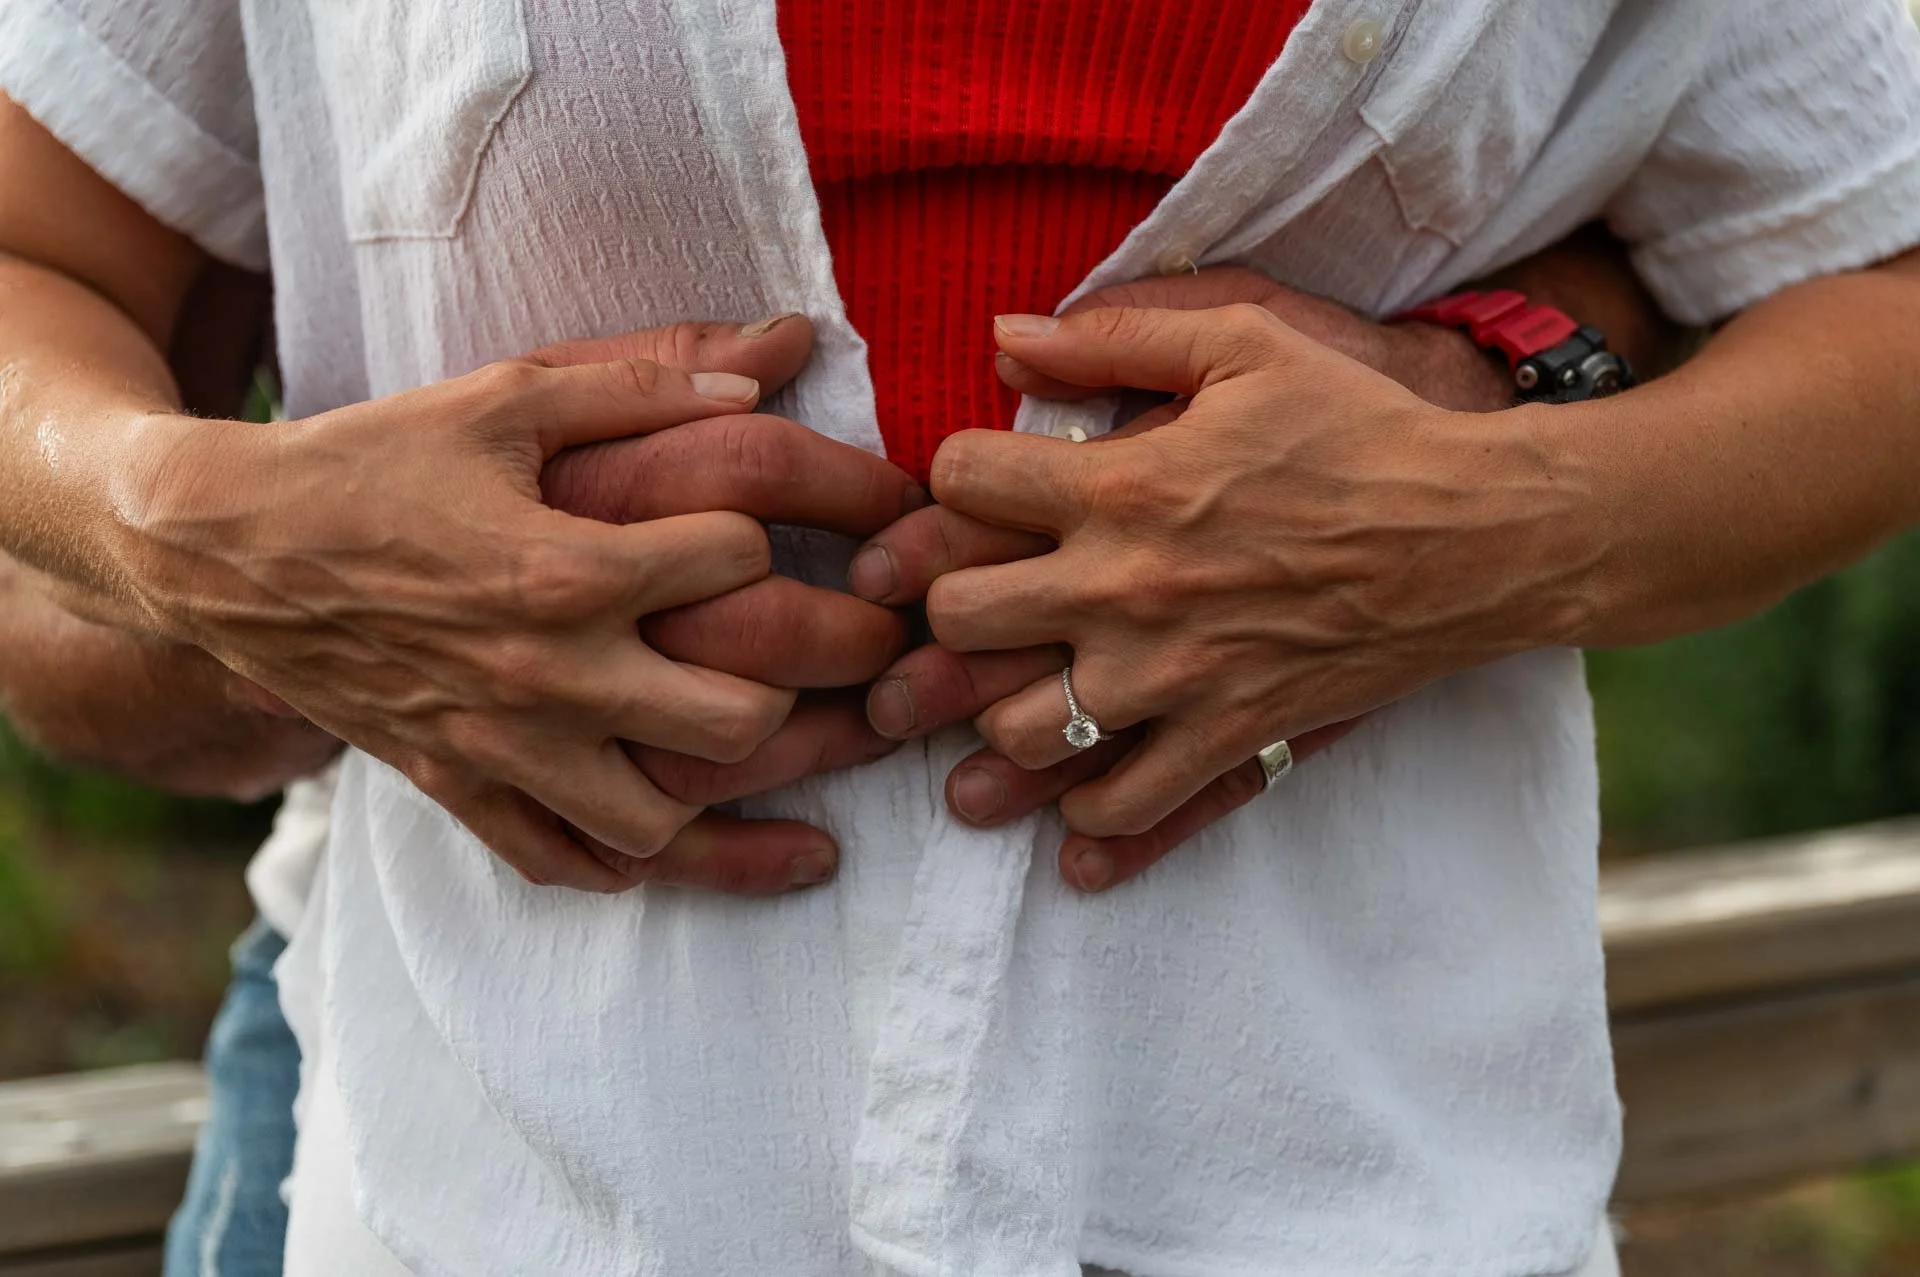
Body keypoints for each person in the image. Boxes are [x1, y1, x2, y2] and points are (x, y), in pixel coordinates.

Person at [2, 1, 1919, 1275]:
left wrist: (1499, 512)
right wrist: (206, 533)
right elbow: (40, 254)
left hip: (1345, 1161)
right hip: (486, 1151)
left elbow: (1866, 259)